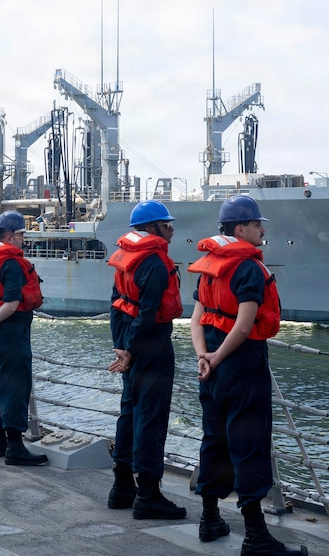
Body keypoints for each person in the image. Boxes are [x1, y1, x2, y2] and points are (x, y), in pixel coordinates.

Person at [188, 195, 307, 556]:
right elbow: (243, 326)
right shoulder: (249, 269)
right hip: (241, 368)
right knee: (249, 446)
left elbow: (195, 319)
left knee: (214, 441)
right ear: (240, 229)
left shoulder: (209, 265)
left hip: (210, 369)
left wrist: (204, 358)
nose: (262, 229)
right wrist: (220, 358)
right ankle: (256, 537)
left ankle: (209, 519)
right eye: (257, 224)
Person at [105, 200, 186, 520]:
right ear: (151, 228)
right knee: (151, 419)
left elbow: (116, 304)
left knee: (129, 413)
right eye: (166, 224)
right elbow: (149, 313)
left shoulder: (128, 257)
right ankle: (149, 495)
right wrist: (132, 350)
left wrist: (122, 348)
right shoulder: (153, 261)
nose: (172, 229)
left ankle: (122, 487)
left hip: (129, 343)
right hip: (151, 347)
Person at [0, 210, 49, 466]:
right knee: (15, 388)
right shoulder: (12, 263)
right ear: (12, 235)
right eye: (22, 235)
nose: (23, 240)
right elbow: (13, 303)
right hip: (11, 334)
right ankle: (15, 447)